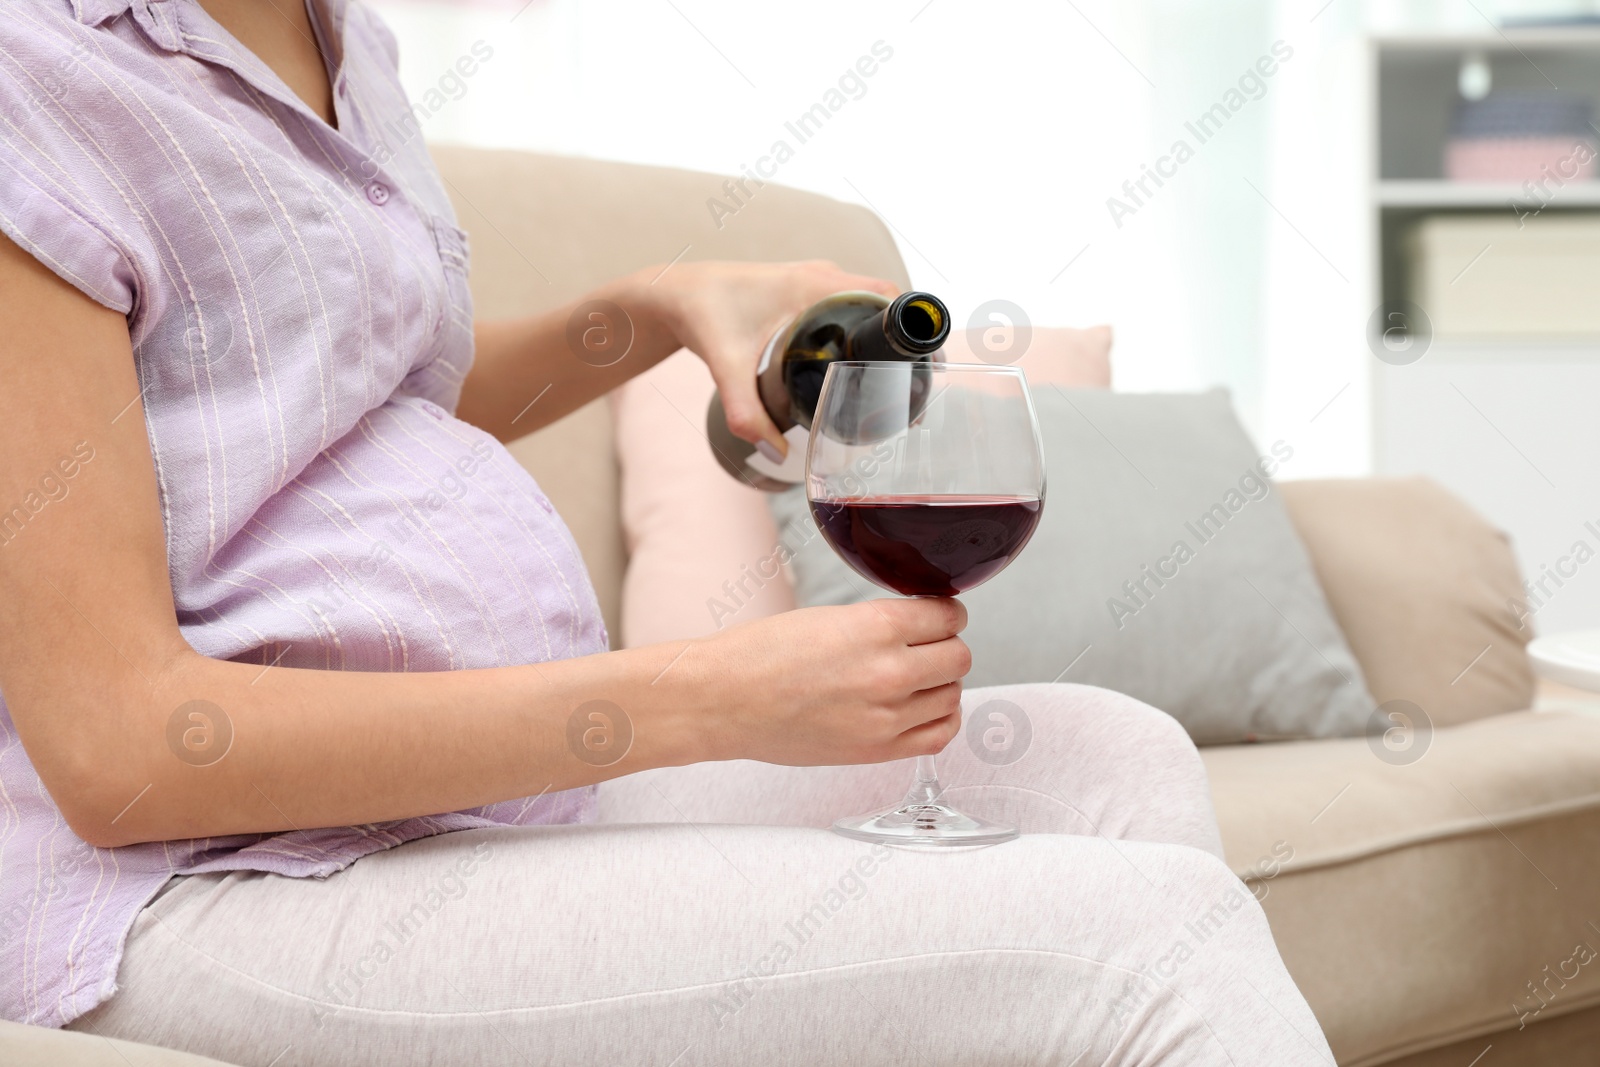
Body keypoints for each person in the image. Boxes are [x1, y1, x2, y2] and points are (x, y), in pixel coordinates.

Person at [0, 1, 1335, 1063]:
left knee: (1110, 762)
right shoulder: (35, 78)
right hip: (204, 888)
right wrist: (701, 699)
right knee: (1158, 941)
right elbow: (122, 747)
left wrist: (656, 306)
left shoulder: (339, 33)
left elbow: (340, 388)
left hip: (471, 807)